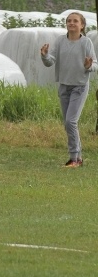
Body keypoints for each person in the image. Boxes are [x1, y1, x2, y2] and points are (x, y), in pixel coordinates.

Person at [40, 12, 97, 168]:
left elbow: (95, 64)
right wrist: (44, 56)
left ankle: (74, 159)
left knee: (71, 122)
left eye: (75, 21)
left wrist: (88, 66)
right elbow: (50, 62)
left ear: (82, 25)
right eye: (68, 21)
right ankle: (78, 158)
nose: (71, 23)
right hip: (64, 87)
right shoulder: (60, 41)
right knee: (68, 123)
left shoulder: (86, 43)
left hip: (80, 86)